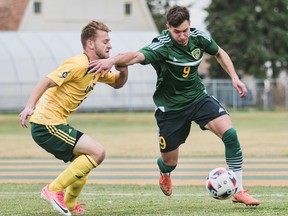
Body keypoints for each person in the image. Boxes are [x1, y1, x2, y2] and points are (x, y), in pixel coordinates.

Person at [88, 5, 260, 206]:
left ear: (190, 26)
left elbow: (219, 52)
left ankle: (239, 190)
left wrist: (234, 77)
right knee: (170, 162)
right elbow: (135, 56)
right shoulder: (162, 46)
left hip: (198, 98)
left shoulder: (199, 38)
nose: (182, 36)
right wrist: (112, 61)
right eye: (177, 32)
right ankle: (164, 172)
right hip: (170, 110)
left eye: (185, 30)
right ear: (168, 27)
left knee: (230, 135)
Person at [19, 20, 128, 215]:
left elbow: (118, 84)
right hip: (46, 124)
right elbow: (46, 81)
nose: (110, 45)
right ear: (91, 44)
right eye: (105, 41)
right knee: (98, 153)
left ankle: (70, 205)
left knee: (84, 159)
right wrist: (29, 106)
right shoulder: (78, 63)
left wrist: (123, 68)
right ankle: (52, 190)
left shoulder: (96, 67)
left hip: (54, 123)